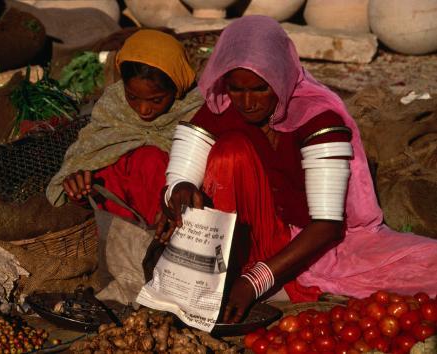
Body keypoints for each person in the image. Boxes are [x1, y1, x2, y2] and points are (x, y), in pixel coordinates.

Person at [156, 16, 437, 323]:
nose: (247, 102)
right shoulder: (222, 107)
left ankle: (264, 279)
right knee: (230, 152)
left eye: (260, 89)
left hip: (313, 241)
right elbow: (179, 177)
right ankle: (227, 274)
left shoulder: (316, 115)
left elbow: (327, 225)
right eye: (237, 89)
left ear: (279, 76)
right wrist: (178, 191)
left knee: (426, 265)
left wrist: (255, 282)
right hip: (246, 238)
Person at [46, 29, 203, 225]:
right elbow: (88, 154)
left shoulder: (194, 111)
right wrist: (81, 184)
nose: (144, 109)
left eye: (156, 100)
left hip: (171, 221)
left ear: (177, 87)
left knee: (150, 160)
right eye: (133, 97)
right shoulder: (113, 105)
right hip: (119, 235)